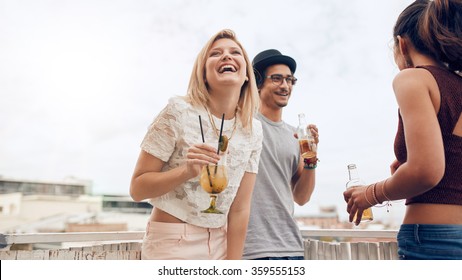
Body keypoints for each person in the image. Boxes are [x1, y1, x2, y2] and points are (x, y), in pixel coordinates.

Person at [343, 0, 462, 260]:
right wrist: (404, 175)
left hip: (434, 239)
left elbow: (426, 171)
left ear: (402, 44)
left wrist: (370, 194)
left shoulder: (413, 78)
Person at [130, 29, 263, 260]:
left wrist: (233, 265)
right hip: (172, 242)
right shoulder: (177, 111)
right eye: (215, 54)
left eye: (235, 52)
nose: (226, 56)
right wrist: (186, 171)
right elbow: (137, 189)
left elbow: (240, 208)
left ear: (247, 75)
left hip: (221, 242)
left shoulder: (253, 129)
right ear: (203, 73)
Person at [243, 49, 319, 260]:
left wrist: (311, 160)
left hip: (291, 249)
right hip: (249, 250)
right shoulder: (241, 125)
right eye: (276, 78)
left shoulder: (295, 136)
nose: (285, 86)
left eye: (289, 80)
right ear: (258, 82)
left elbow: (301, 197)